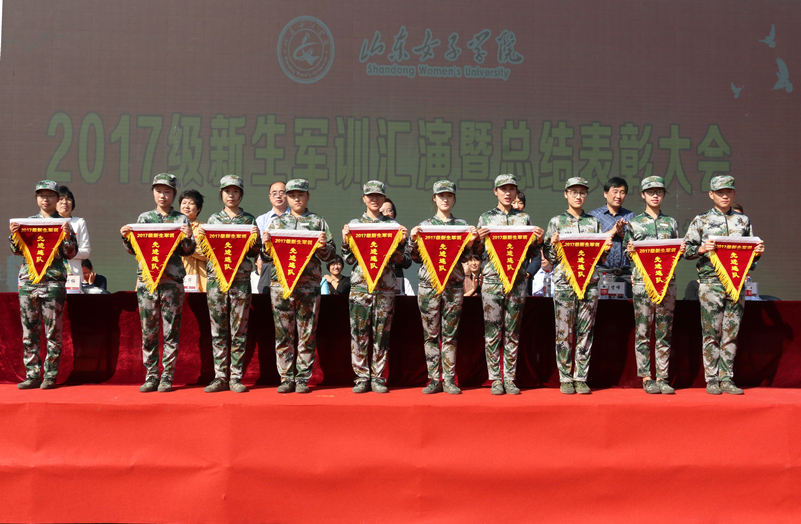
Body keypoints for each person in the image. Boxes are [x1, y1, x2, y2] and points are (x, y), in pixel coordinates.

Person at [684, 175, 764, 395]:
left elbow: (749, 259)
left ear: (734, 194)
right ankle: (711, 379)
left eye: (728, 192)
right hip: (711, 282)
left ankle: (726, 378)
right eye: (720, 192)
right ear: (711, 195)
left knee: (731, 332)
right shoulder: (701, 220)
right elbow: (686, 250)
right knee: (711, 332)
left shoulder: (743, 221)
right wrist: (701, 249)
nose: (725, 196)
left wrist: (757, 254)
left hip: (736, 283)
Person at [120, 173, 195, 393]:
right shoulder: (144, 219)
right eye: (159, 191)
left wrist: (188, 237)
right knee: (149, 331)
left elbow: (187, 252)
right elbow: (135, 249)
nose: (163, 195)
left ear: (173, 194)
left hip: (172, 281)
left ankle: (167, 377)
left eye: (167, 192)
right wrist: (126, 238)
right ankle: (151, 375)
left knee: (171, 331)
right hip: (148, 283)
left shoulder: (181, 219)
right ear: (153, 193)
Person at [263, 178, 336, 393]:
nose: (297, 199)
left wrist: (323, 247)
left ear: (307, 197)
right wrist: (266, 245)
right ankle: (286, 377)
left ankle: (302, 378)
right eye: (292, 195)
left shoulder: (318, 222)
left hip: (308, 285)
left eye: (300, 195)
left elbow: (331, 255)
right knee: (283, 333)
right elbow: (265, 257)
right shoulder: (276, 224)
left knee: (307, 332)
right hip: (281, 285)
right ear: (287, 198)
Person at [475, 174, 544, 395]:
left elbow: (532, 252)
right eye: (503, 189)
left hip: (516, 280)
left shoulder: (524, 219)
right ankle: (496, 378)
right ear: (495, 191)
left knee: (513, 330)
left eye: (511, 189)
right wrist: (477, 240)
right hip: (493, 280)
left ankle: (510, 378)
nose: (507, 193)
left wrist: (539, 241)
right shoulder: (486, 218)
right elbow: (476, 254)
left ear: (516, 192)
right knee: (492, 330)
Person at [409, 180, 479, 395]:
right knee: (430, 334)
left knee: (450, 335)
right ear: (434, 198)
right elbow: (415, 258)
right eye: (441, 196)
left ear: (454, 198)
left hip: (453, 286)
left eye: (449, 195)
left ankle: (448, 379)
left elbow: (467, 257)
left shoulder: (461, 226)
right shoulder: (425, 226)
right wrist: (413, 240)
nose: (445, 199)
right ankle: (433, 379)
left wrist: (471, 243)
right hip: (429, 285)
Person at [543, 177, 612, 395]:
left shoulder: (594, 223)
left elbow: (600, 258)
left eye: (582, 192)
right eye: (574, 192)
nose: (578, 196)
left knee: (585, 331)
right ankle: (565, 377)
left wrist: (606, 249)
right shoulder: (556, 222)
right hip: (565, 283)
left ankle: (581, 377)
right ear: (566, 194)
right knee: (563, 331)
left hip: (589, 283)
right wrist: (553, 245)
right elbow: (550, 257)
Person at [9, 180, 77, 389]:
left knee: (53, 332)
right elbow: (17, 251)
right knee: (29, 332)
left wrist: (67, 236)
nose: (45, 199)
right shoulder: (27, 222)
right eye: (41, 195)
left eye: (50, 195)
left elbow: (70, 253)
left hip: (53, 282)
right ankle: (32, 375)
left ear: (57, 198)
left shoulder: (64, 224)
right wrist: (14, 235)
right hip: (29, 282)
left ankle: (50, 376)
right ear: (36, 198)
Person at [343, 180, 408, 393]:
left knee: (382, 333)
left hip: (385, 287)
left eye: (378, 196)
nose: (374, 199)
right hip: (361, 287)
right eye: (370, 196)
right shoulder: (355, 225)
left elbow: (403, 260)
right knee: (358, 333)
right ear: (364, 199)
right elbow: (348, 259)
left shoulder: (393, 226)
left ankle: (378, 377)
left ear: (384, 199)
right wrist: (345, 241)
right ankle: (361, 377)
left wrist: (400, 243)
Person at [623, 176, 683, 394]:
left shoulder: (671, 223)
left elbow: (676, 254)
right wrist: (630, 251)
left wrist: (681, 250)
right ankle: (647, 377)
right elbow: (626, 253)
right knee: (643, 330)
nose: (655, 195)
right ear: (643, 195)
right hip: (642, 283)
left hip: (667, 283)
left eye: (659, 192)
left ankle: (663, 377)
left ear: (664, 195)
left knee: (664, 330)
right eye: (650, 192)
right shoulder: (634, 223)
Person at [200, 175, 260, 393]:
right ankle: (220, 377)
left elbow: (255, 253)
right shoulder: (213, 220)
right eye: (227, 191)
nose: (231, 195)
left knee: (239, 330)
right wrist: (201, 237)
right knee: (218, 329)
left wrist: (255, 239)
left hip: (240, 280)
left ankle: (235, 377)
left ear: (241, 194)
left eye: (235, 191)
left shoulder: (249, 220)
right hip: (217, 280)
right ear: (221, 194)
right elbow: (206, 250)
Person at [589, 177, 635, 298]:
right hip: (602, 274)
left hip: (625, 275)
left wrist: (622, 235)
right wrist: (613, 231)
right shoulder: (594, 216)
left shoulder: (631, 216)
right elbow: (592, 242)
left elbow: (635, 245)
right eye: (615, 191)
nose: (618, 196)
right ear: (605, 193)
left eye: (622, 192)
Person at [256, 181, 289, 294]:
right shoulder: (261, 220)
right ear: (270, 197)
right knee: (266, 299)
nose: (278, 196)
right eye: (274, 193)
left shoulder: (295, 218)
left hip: (291, 264)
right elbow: (258, 245)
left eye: (282, 192)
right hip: (268, 265)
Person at [56, 186, 90, 278]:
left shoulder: (79, 222)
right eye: (60, 199)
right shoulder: (48, 222)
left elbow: (86, 252)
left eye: (68, 199)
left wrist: (66, 252)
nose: (64, 202)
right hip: (53, 275)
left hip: (74, 275)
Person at [179, 189, 207, 292]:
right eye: (184, 203)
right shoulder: (173, 227)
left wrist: (185, 247)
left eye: (191, 203)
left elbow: (207, 254)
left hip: (200, 279)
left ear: (199, 208)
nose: (186, 206)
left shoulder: (204, 228)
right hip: (176, 278)